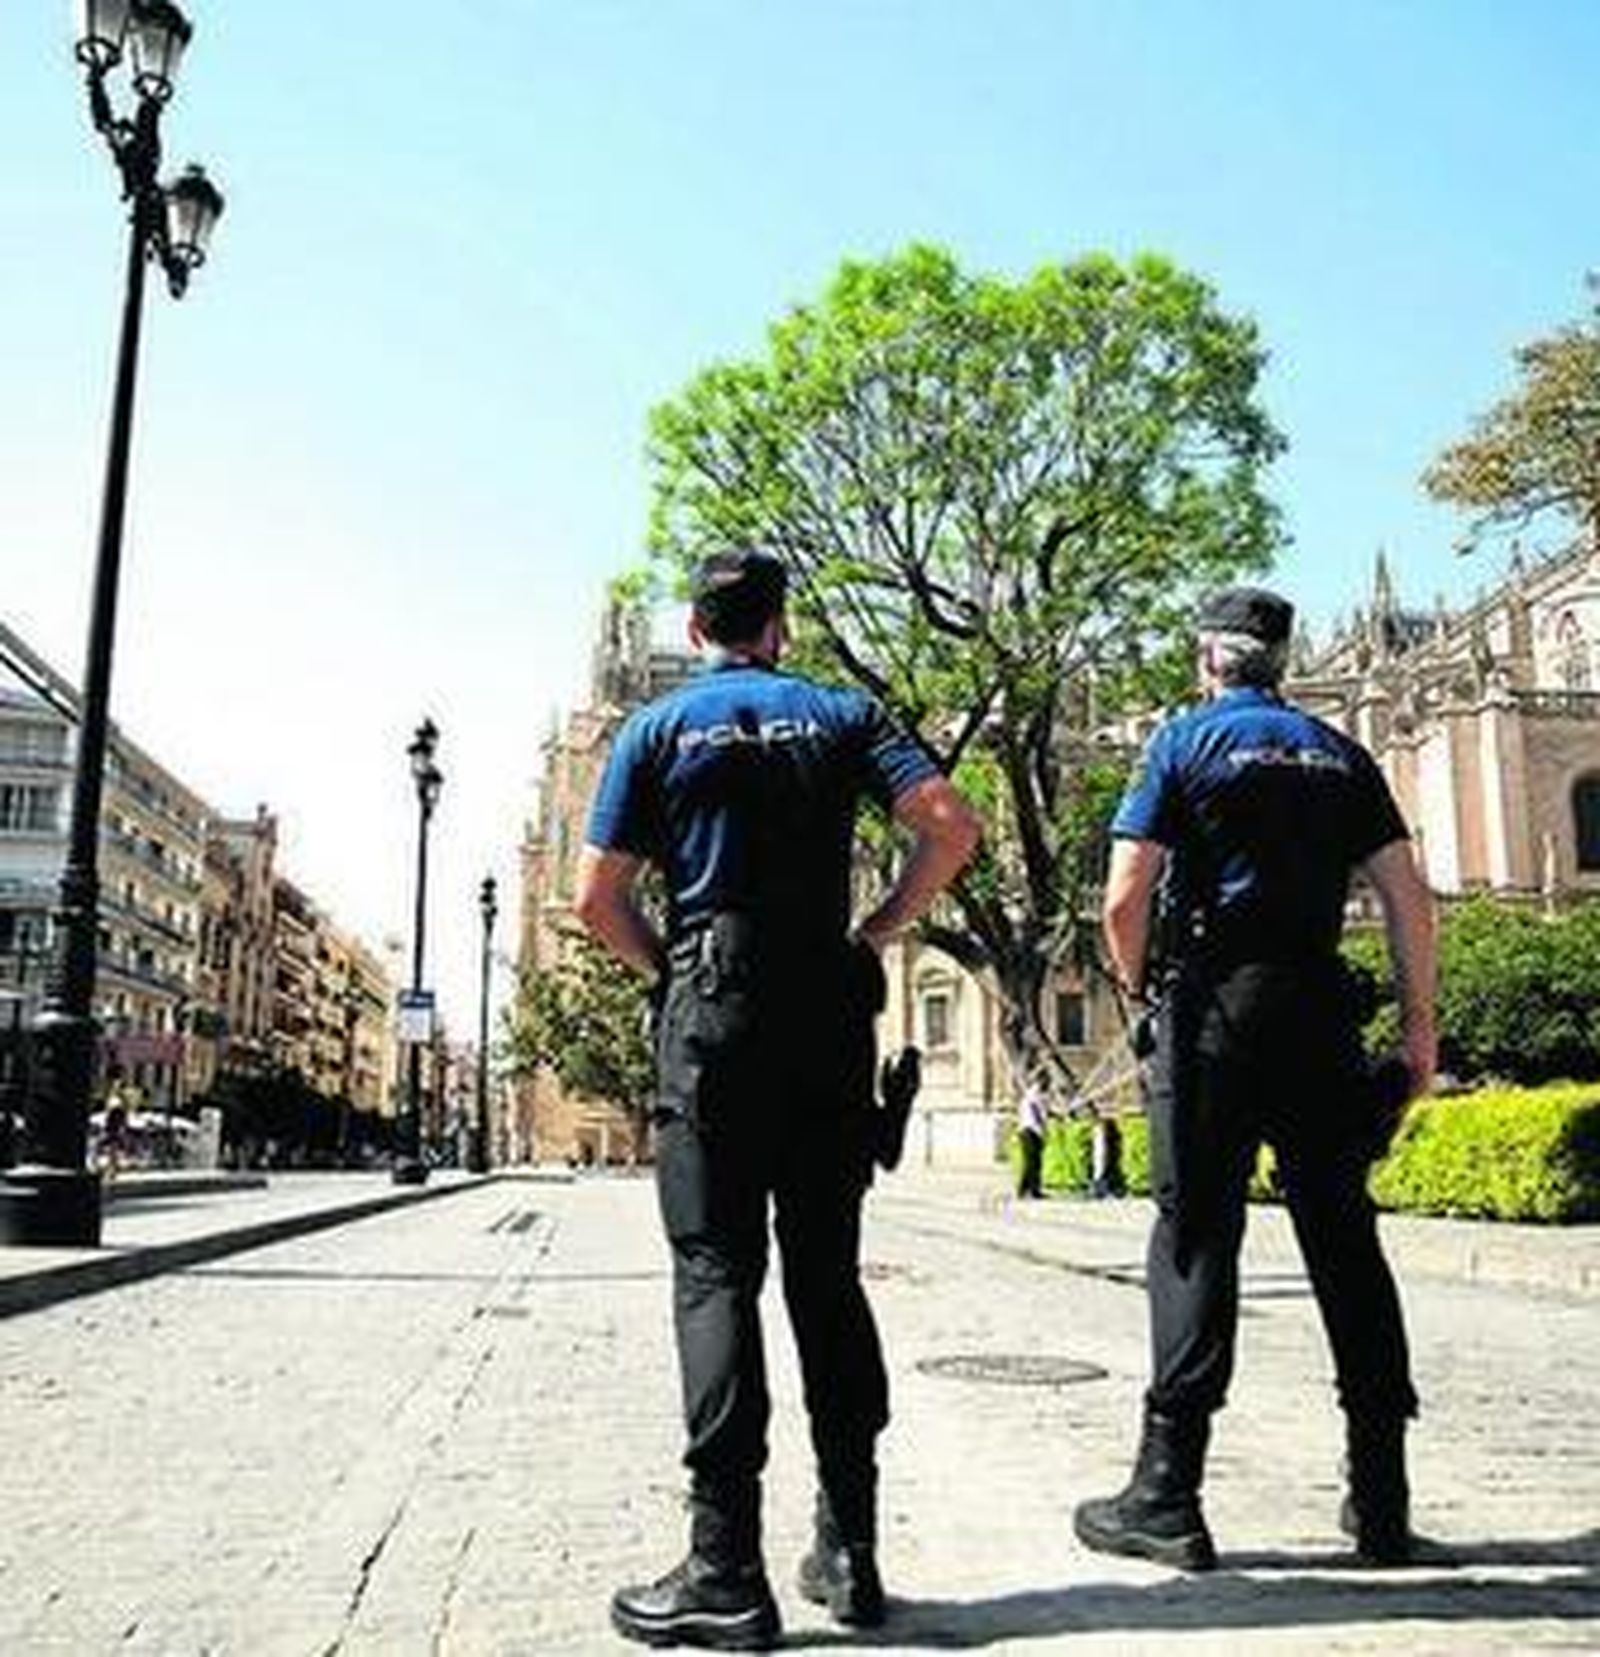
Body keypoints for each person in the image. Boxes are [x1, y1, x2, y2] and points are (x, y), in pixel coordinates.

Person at [576, 548, 980, 1650]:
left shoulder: (654, 730)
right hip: (825, 1004)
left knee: (714, 1273)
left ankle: (723, 1568)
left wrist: (674, 970)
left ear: (695, 629)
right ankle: (849, 1549)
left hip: (710, 999)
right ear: (779, 627)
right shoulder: (843, 713)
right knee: (825, 1274)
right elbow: (950, 825)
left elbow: (595, 897)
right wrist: (881, 927)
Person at [1072, 585, 1437, 1573]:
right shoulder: (1338, 753)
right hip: (1320, 1012)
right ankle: (1382, 1501)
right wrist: (1418, 1030)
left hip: (1213, 1012)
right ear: (1279, 660)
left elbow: (1123, 894)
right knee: (1344, 1242)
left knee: (1195, 1238)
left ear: (1207, 658)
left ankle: (1166, 1495)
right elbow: (1407, 896)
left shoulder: (1181, 744)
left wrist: (1141, 987)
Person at [1016, 1072, 1048, 1199]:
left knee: (1036, 1162)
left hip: (1032, 1131)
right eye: (1046, 1082)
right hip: (1030, 1131)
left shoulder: (1037, 1096)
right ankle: (1023, 1189)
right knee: (1030, 1162)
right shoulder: (1033, 1096)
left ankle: (1034, 1189)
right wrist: (1042, 1128)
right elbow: (1037, 1115)